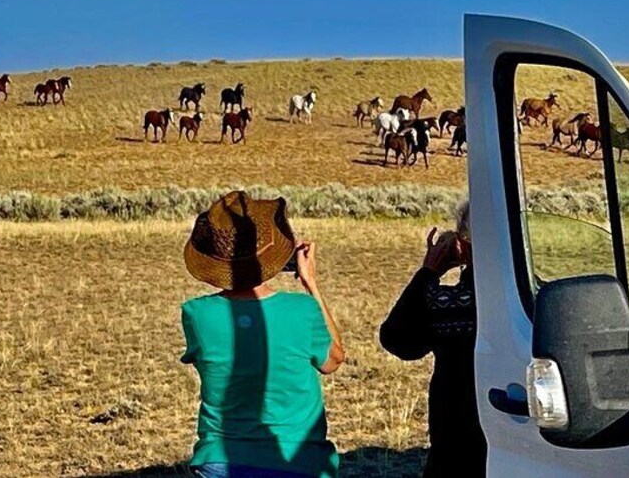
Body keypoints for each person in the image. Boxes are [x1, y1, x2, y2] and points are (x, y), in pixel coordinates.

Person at [180, 191, 345, 478]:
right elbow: (332, 360)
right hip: (298, 459)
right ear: (272, 255)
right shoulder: (302, 311)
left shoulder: (196, 314)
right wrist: (311, 283)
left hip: (220, 460)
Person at [380, 202, 487, 477]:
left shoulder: (448, 304)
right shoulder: (532, 298)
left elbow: (396, 339)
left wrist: (428, 272)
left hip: (455, 441)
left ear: (461, 247)